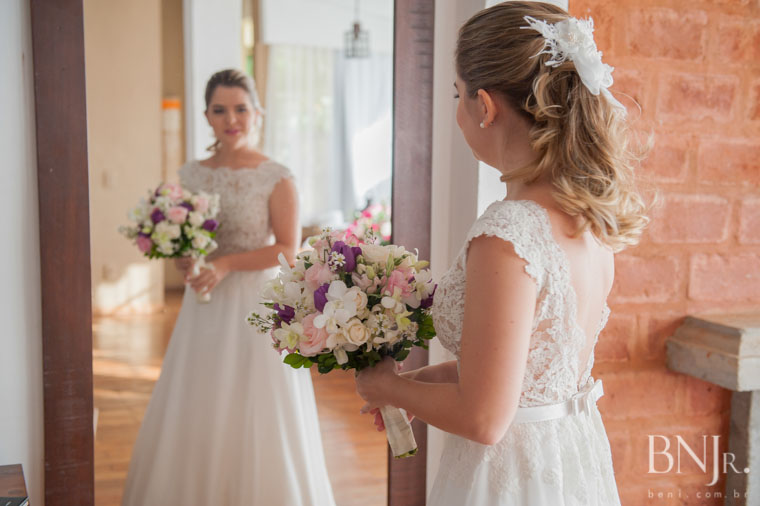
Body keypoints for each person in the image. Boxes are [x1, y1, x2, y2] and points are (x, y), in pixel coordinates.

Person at [355, 2, 648, 504]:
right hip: (567, 458)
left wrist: (388, 388)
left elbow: (485, 419)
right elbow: (525, 373)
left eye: (458, 94)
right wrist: (420, 384)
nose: (458, 110)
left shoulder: (508, 234)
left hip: (508, 474)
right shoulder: (590, 218)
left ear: (485, 106)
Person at [122, 69, 336, 506]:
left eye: (240, 109)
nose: (231, 119)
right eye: (220, 110)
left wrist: (225, 264)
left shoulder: (277, 176)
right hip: (204, 305)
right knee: (199, 398)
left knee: (257, 404)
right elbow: (187, 239)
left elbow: (287, 249)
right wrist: (185, 258)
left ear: (258, 113)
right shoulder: (190, 174)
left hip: (256, 304)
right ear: (206, 116)